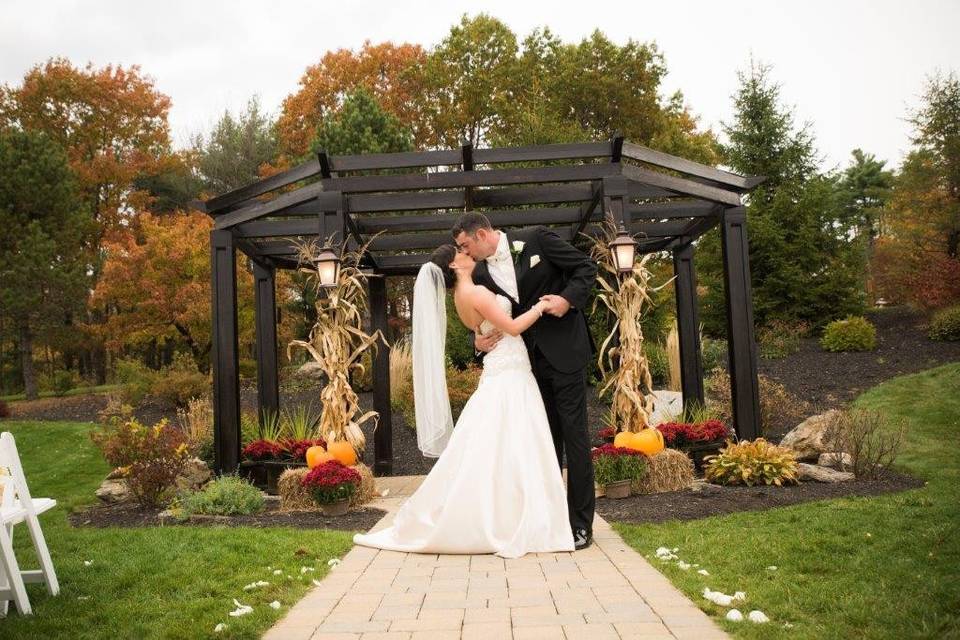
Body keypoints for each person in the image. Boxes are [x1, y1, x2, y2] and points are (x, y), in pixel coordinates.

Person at [352, 244, 575, 558]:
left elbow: (482, 329)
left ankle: (499, 513)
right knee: (517, 442)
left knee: (495, 444)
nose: (467, 254)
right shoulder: (478, 293)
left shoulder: (460, 298)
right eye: (460, 253)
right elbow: (511, 328)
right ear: (454, 266)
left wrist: (479, 340)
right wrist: (541, 307)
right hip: (510, 371)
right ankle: (514, 517)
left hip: (499, 368)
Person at [453, 213, 598, 551]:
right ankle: (548, 519)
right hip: (526, 366)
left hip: (565, 352)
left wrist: (567, 299)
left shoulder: (538, 238)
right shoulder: (482, 273)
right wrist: (476, 342)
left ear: (483, 233)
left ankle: (580, 525)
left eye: (466, 245)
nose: (465, 252)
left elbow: (584, 268)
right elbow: (479, 316)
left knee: (575, 437)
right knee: (545, 442)